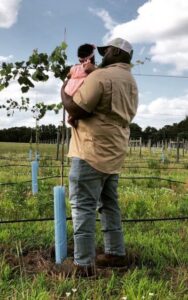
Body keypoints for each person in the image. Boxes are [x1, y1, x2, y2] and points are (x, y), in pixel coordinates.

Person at [61, 37, 138, 277]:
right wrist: (93, 71)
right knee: (109, 205)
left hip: (90, 152)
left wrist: (64, 89)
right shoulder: (130, 81)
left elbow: (76, 108)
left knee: (82, 206)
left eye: (106, 52)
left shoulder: (101, 77)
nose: (102, 56)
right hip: (113, 152)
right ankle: (115, 253)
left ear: (116, 52)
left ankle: (82, 264)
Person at [64, 43, 96, 127]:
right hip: (78, 88)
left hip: (70, 89)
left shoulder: (74, 67)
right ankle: (72, 117)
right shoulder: (88, 65)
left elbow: (68, 75)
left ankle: (71, 117)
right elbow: (89, 69)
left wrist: (71, 77)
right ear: (92, 57)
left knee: (72, 103)